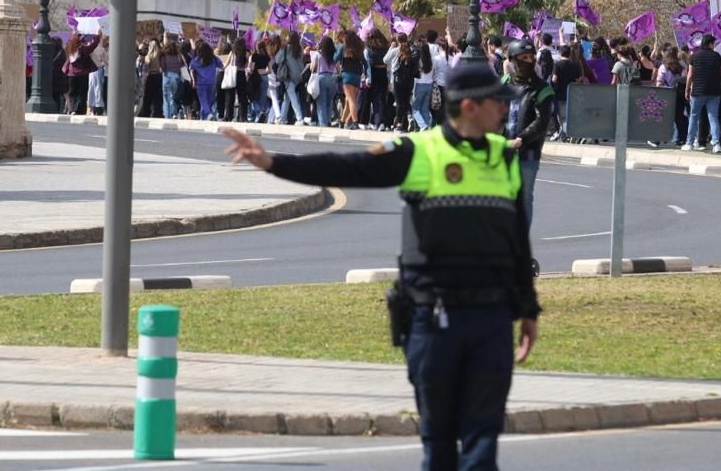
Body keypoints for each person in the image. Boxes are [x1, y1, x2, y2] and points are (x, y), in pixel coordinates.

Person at [220, 61, 540, 471]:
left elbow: (516, 241)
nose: (505, 110)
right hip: (434, 317)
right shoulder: (420, 152)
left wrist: (528, 310)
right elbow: (348, 168)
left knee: (483, 441)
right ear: (471, 106)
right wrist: (274, 163)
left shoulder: (503, 158)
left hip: (492, 319)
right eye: (499, 102)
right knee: (439, 442)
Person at [502, 39, 554, 227]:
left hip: (528, 151)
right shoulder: (504, 84)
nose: (528, 61)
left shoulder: (542, 89)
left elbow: (542, 121)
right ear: (512, 60)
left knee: (524, 197)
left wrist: (521, 139)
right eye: (523, 57)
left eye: (531, 57)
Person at [683, 34, 721, 152]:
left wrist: (687, 89)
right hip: (714, 91)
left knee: (694, 116)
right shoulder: (717, 56)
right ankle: (716, 144)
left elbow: (690, 75)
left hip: (698, 91)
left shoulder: (694, 56)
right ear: (710, 43)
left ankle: (689, 143)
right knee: (713, 117)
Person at [63, 30, 101, 116]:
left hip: (71, 74)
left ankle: (71, 109)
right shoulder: (82, 49)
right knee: (82, 93)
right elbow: (92, 47)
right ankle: (79, 110)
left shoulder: (69, 47)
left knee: (72, 93)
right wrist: (97, 37)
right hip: (82, 73)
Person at [548, 45, 582, 141]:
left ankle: (568, 135)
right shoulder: (576, 64)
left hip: (561, 94)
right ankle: (568, 134)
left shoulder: (558, 65)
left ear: (560, 53)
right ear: (570, 53)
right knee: (571, 115)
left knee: (563, 117)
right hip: (573, 93)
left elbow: (554, 79)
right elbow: (579, 79)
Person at [275, 31, 306, 125]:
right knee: (287, 98)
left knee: (292, 98)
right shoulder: (299, 49)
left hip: (289, 76)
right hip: (299, 76)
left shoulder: (286, 48)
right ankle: (282, 118)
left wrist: (281, 48)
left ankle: (299, 118)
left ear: (289, 39)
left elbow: (277, 60)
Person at [190, 41, 219, 121]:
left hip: (201, 83)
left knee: (203, 100)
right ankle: (203, 117)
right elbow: (221, 65)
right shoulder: (213, 58)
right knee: (208, 100)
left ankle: (209, 114)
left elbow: (191, 69)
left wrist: (193, 80)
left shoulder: (197, 60)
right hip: (212, 82)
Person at [87, 35, 108, 116]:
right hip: (98, 69)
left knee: (92, 87)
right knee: (98, 88)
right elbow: (106, 62)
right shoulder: (101, 49)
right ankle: (97, 107)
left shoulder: (90, 48)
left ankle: (92, 108)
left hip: (92, 70)